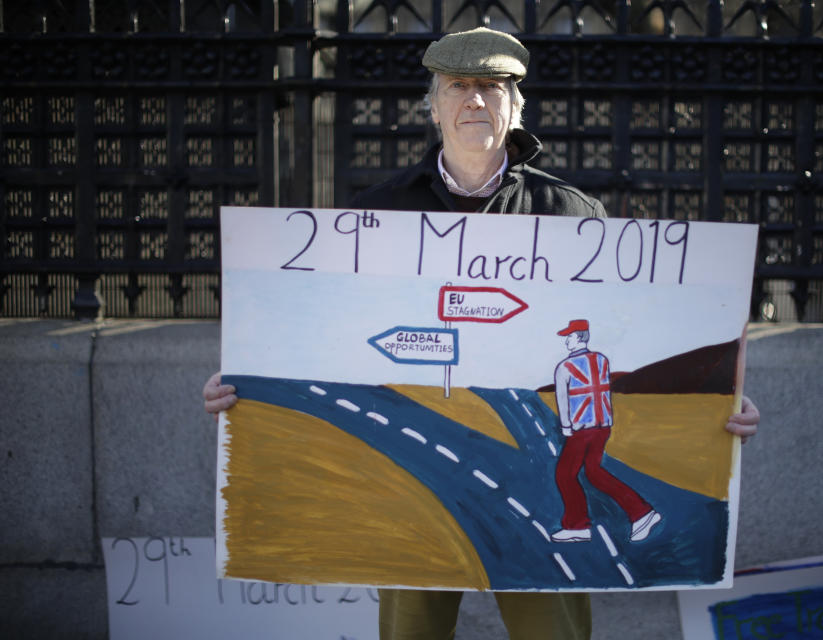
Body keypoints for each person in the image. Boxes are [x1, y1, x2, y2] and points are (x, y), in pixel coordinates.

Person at [203, 26, 761, 640]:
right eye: (459, 86)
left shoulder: (571, 215)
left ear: (515, 106)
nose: (475, 100)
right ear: (435, 105)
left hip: (545, 446)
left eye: (491, 87)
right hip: (412, 500)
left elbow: (632, 331)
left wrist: (717, 394)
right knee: (410, 627)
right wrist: (246, 378)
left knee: (553, 627)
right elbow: (321, 324)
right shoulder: (376, 213)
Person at [552, 319, 661, 544]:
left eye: (569, 337)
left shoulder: (564, 367)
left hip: (582, 429)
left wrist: (566, 427)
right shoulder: (601, 359)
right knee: (593, 471)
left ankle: (577, 526)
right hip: (603, 427)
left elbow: (563, 400)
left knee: (565, 474)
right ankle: (640, 513)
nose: (566, 341)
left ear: (580, 336)